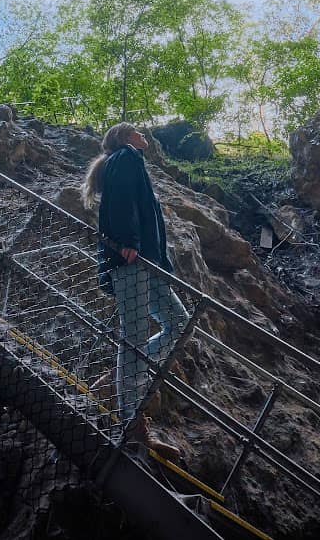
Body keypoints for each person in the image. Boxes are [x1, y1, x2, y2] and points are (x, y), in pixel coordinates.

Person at [85, 123, 188, 451]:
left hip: (148, 263)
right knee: (133, 339)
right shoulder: (126, 157)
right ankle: (132, 422)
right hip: (132, 261)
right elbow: (122, 200)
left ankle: (122, 383)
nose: (145, 136)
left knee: (179, 323)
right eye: (139, 132)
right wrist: (127, 242)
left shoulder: (126, 159)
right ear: (127, 137)